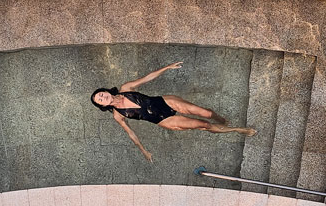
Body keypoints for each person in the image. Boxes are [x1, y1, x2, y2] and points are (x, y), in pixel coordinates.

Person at [90, 61, 255, 163]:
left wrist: (167, 68)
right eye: (100, 100)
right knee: (203, 125)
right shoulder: (117, 115)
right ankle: (238, 130)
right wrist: (143, 150)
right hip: (163, 120)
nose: (102, 97)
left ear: (105, 91)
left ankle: (221, 119)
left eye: (101, 94)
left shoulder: (126, 88)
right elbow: (130, 133)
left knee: (206, 113)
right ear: (102, 106)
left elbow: (147, 78)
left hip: (165, 101)